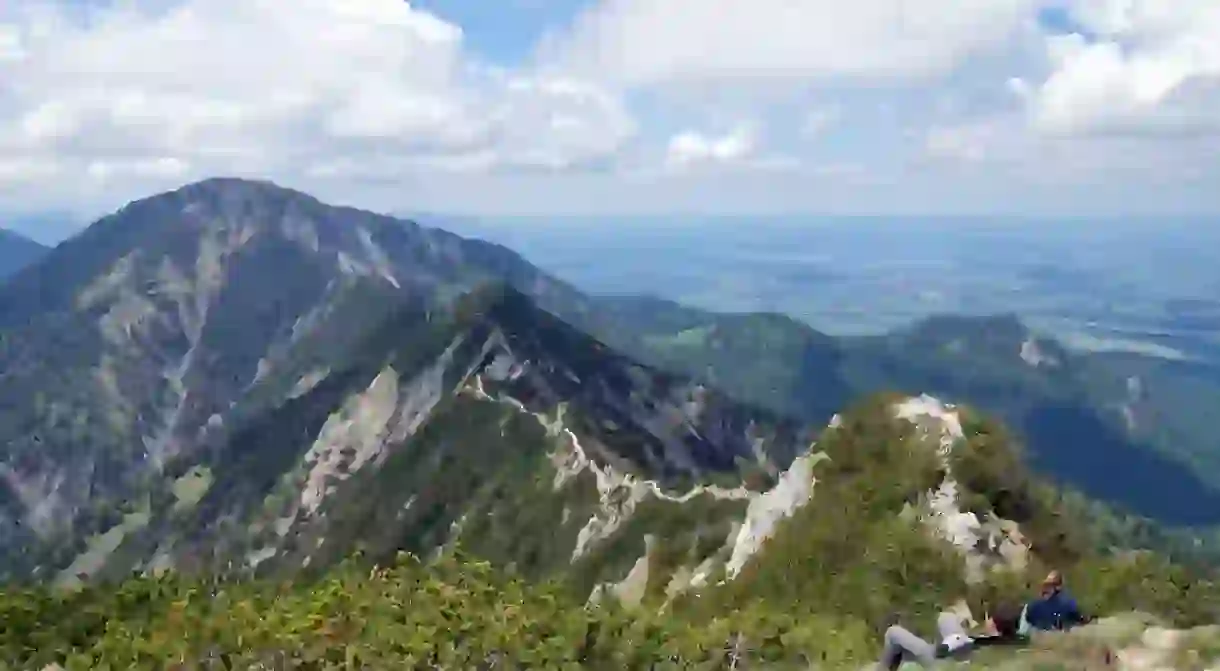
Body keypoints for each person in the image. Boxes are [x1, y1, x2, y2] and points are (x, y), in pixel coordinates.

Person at [876, 602, 1025, 670]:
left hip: (944, 663)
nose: (987, 620)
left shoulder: (989, 645)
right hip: (955, 657)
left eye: (990, 618)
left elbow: (952, 646)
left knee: (893, 632)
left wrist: (946, 647)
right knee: (947, 618)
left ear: (994, 625)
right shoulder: (1008, 643)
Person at [1023, 570, 1091, 632]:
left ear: (1058, 587)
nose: (1046, 588)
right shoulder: (1033, 606)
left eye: (1050, 586)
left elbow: (1078, 619)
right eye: (1045, 585)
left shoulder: (1067, 604)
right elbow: (1026, 625)